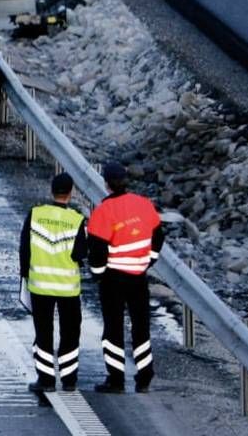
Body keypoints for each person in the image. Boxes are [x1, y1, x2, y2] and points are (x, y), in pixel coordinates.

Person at [87, 162, 166, 393]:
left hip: (113, 279)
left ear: (107, 184)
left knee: (113, 328)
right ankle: (145, 376)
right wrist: (147, 260)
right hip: (138, 277)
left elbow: (97, 250)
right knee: (141, 326)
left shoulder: (104, 211)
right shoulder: (143, 204)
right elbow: (158, 237)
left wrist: (98, 275)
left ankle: (116, 379)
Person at [21, 172, 87, 393]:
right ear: (70, 193)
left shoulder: (35, 215)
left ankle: (46, 380)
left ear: (52, 191)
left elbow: (24, 250)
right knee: (70, 333)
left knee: (43, 332)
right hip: (68, 289)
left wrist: (25, 276)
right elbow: (80, 254)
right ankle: (69, 380)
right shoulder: (76, 219)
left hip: (39, 286)